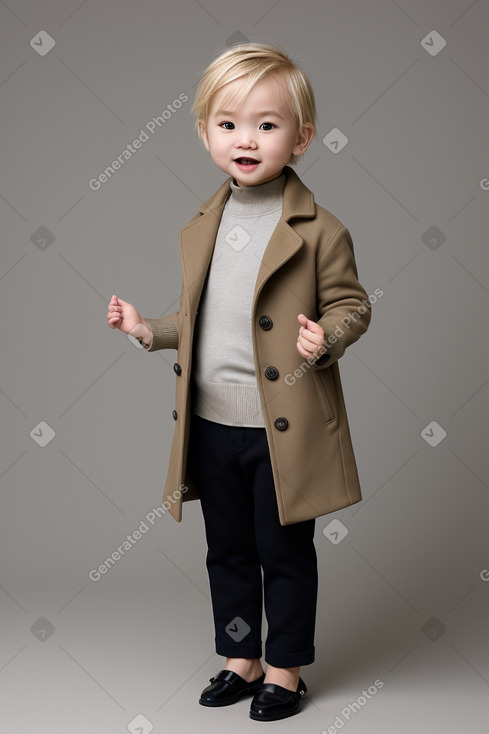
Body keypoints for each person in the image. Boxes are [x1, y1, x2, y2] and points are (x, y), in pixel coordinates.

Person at [106, 42, 371, 722]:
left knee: (283, 554)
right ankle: (240, 660)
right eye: (227, 124)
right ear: (204, 134)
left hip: (284, 432)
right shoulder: (203, 224)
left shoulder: (319, 230)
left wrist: (328, 337)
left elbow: (351, 304)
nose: (244, 139)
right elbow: (199, 320)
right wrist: (148, 329)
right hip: (211, 426)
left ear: (301, 137)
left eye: (265, 124)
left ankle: (284, 672)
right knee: (225, 550)